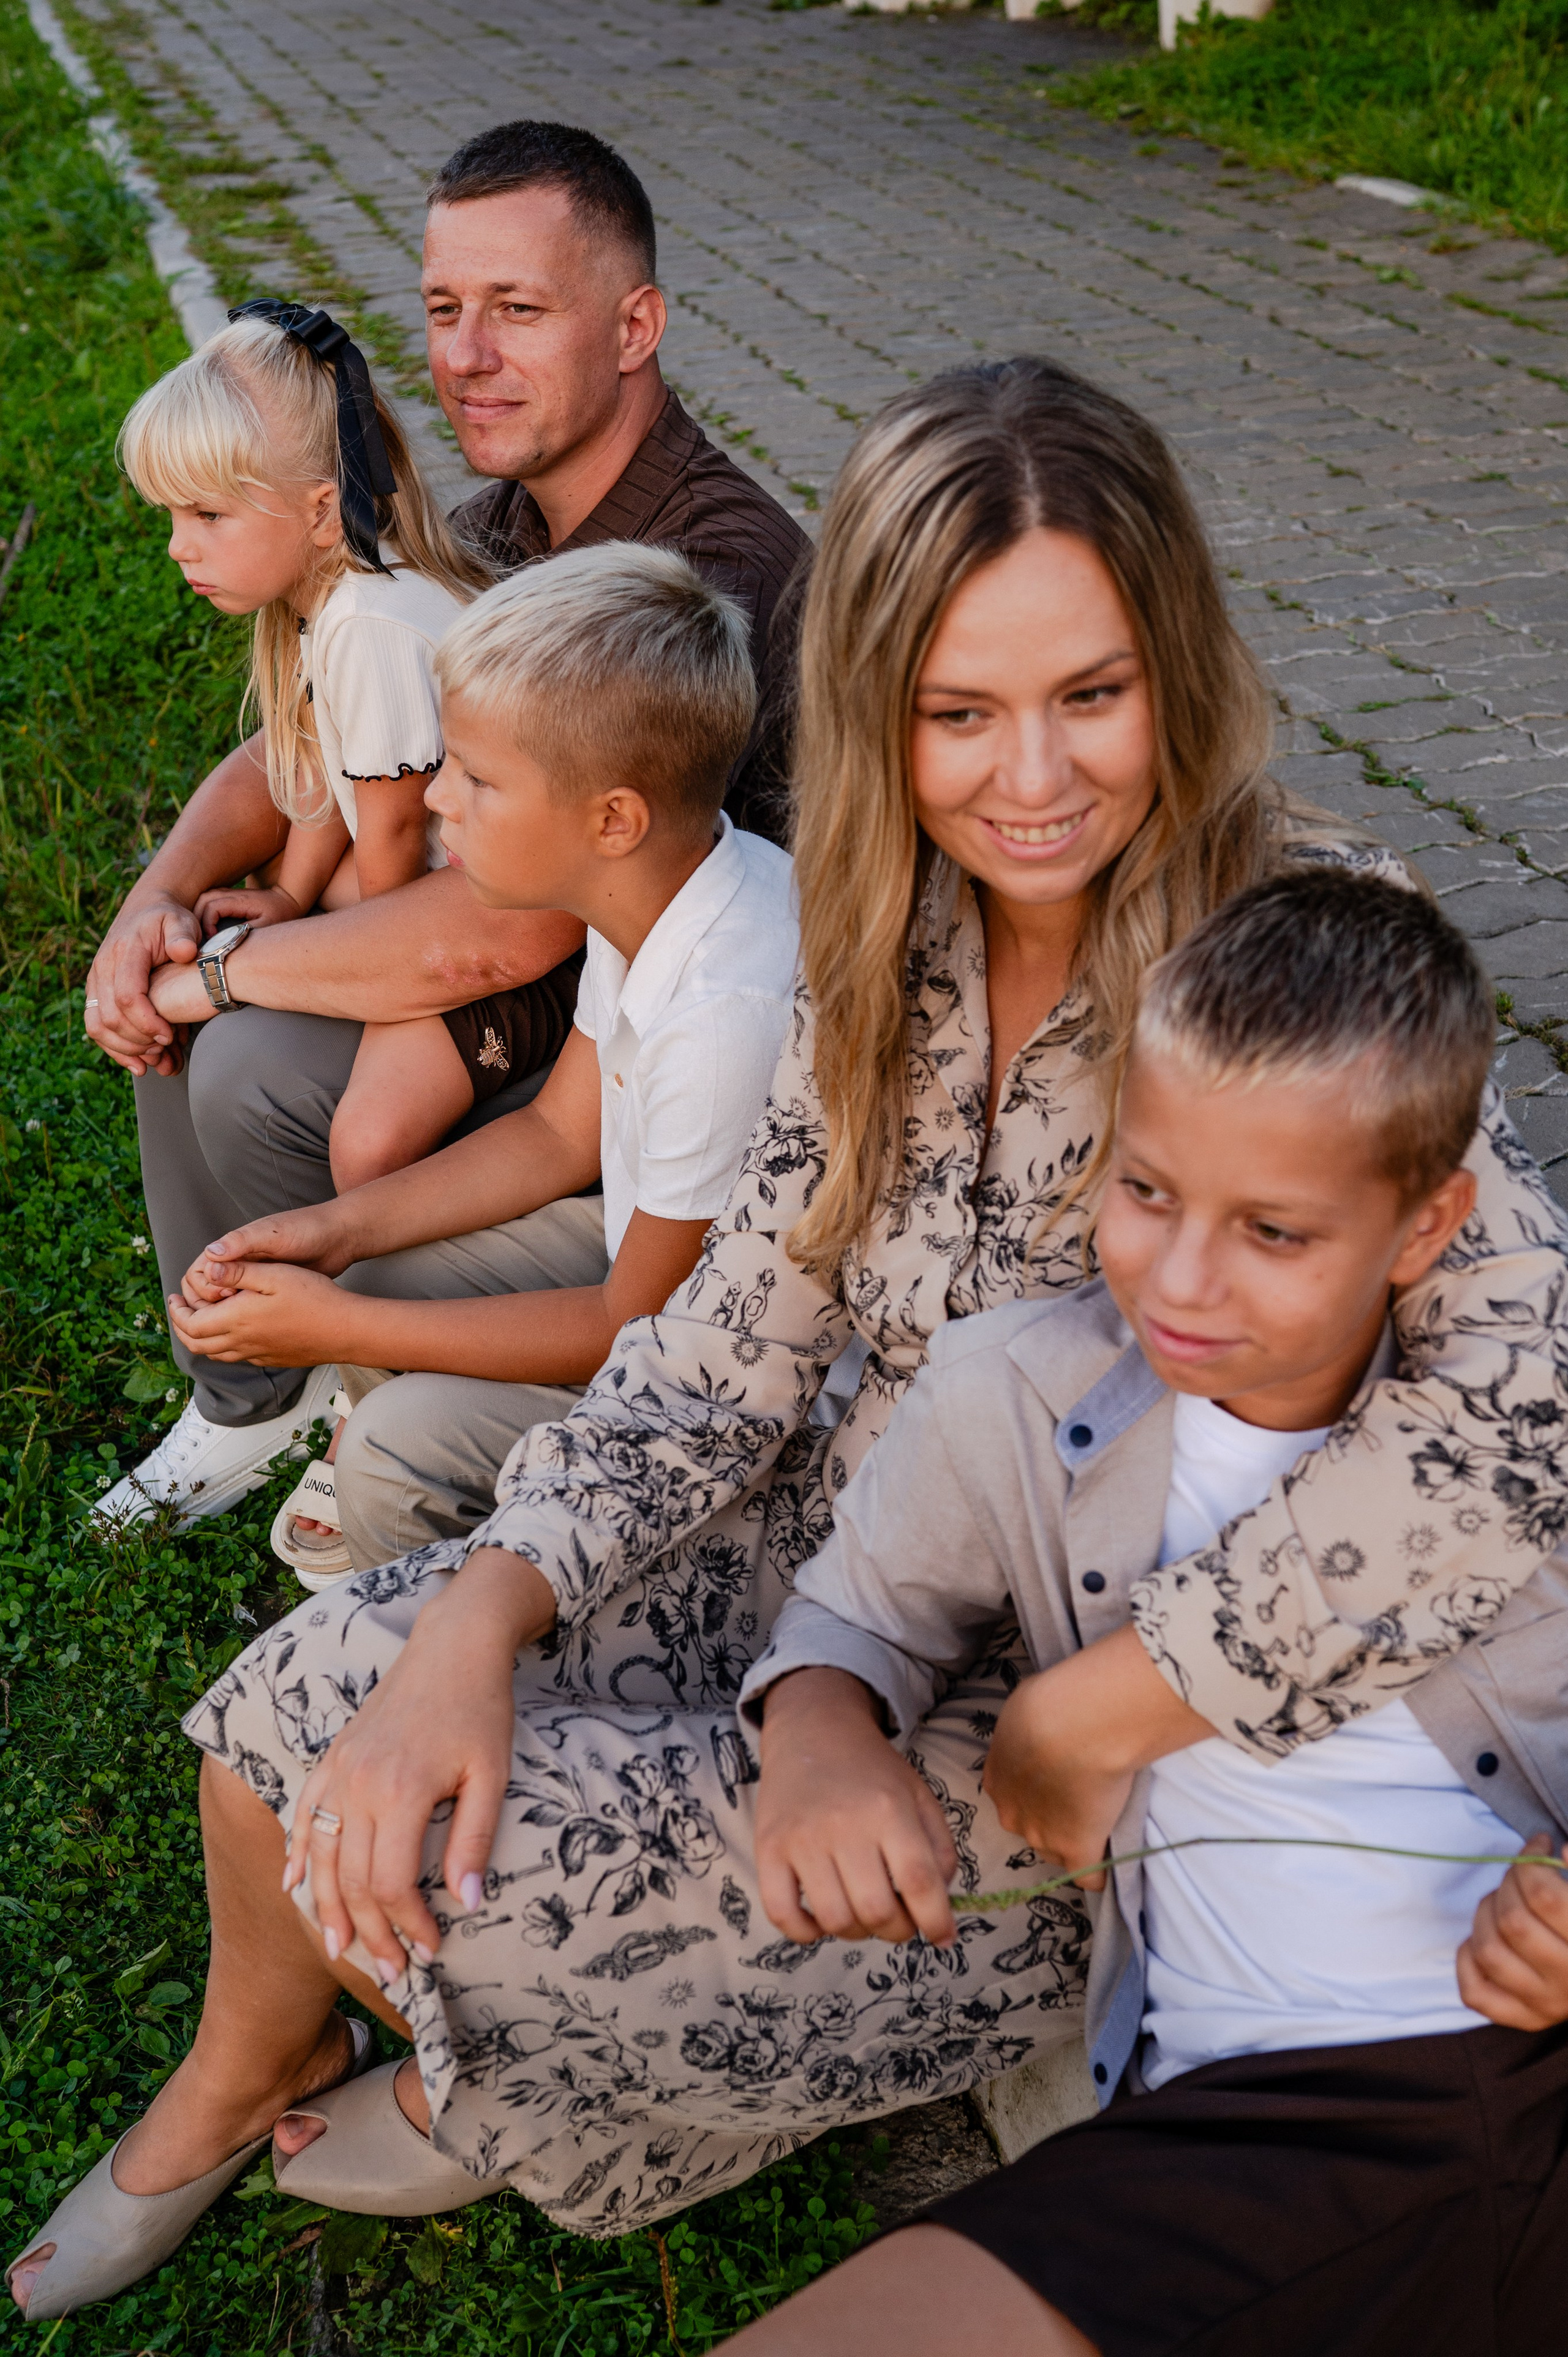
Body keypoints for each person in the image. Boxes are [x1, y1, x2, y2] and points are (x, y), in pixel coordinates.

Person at [12, 357, 1568, 2320]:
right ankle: (247, 2070)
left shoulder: (1311, 936)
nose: (1031, 776)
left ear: (1179, 662)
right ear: (872, 710)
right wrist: (491, 1609)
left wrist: (1120, 1701)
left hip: (1095, 1707)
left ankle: (559, 2078)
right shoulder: (886, 931)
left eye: (1091, 693)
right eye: (956, 713)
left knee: (516, 1901)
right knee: (330, 1694)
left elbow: (1519, 1427)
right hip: (832, 1542)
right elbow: (726, 1341)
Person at [720, 869, 1568, 2355]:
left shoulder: (1511, 1442)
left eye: (1275, 1233)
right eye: (1146, 1189)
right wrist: (812, 1731)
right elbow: (857, 1614)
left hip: (1491, 2067)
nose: (1179, 1279)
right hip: (1245, 2134)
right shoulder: (1011, 1387)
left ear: (1428, 1225)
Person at [88, 118, 810, 1531]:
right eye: (441, 309)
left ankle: (317, 1376)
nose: (466, 356)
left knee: (239, 1060)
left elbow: (501, 930)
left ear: (634, 325)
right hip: (580, 999)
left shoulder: (703, 571)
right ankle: (254, 1383)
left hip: (649, 1055)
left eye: (518, 310)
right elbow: (308, 744)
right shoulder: (508, 513)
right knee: (199, 999)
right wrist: (157, 895)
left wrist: (224, 970)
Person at [166, 542, 796, 1583]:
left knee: (390, 1451)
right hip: (644, 1260)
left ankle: (460, 1632)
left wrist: (340, 1324)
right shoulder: (653, 890)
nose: (439, 800)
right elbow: (557, 1134)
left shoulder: (725, 1014)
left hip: (723, 1367)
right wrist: (333, 1230)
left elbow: (628, 1328)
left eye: (478, 777)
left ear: (613, 819)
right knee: (370, 1270)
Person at [115, 302, 576, 1208]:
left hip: (512, 929)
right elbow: (328, 770)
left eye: (207, 513)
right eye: (172, 514)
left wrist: (339, 969)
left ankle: (378, 1323)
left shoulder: (370, 624)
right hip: (444, 894)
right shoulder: (339, 594)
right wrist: (291, 896)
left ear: (322, 510)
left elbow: (398, 845)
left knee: (368, 1140)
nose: (179, 547)